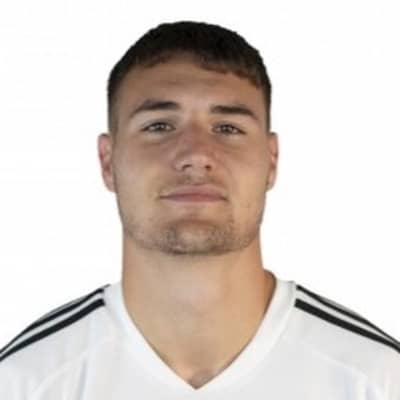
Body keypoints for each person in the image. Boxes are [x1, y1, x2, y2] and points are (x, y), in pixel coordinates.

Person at [0, 20, 399, 399]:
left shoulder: (378, 379)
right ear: (108, 161)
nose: (196, 155)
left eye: (228, 128)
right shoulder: (25, 382)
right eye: (159, 126)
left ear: (271, 161)